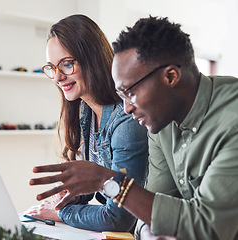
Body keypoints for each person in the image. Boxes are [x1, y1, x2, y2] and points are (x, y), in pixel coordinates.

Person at [29, 15, 238, 240]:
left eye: (130, 93)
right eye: (121, 95)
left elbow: (211, 226)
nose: (126, 108)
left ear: (171, 76)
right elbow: (151, 210)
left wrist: (107, 181)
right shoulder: (160, 123)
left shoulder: (232, 119)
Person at [24, 14, 149, 232]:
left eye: (67, 64)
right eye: (52, 68)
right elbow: (93, 185)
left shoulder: (126, 121)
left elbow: (118, 218)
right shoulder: (86, 112)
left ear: (93, 59)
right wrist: (68, 196)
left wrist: (62, 212)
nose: (57, 78)